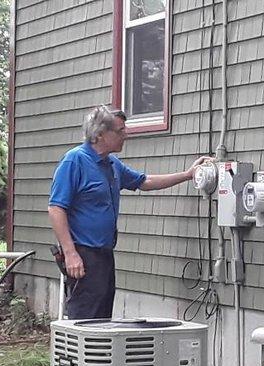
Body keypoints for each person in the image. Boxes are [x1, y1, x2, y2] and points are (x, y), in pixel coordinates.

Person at [48, 105, 211, 319]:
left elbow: (145, 181)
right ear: (99, 134)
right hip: (83, 252)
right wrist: (70, 254)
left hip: (105, 253)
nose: (126, 135)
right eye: (120, 131)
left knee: (103, 318)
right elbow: (56, 208)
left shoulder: (111, 164)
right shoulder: (75, 161)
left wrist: (188, 175)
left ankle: (101, 354)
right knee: (85, 319)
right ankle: (77, 354)